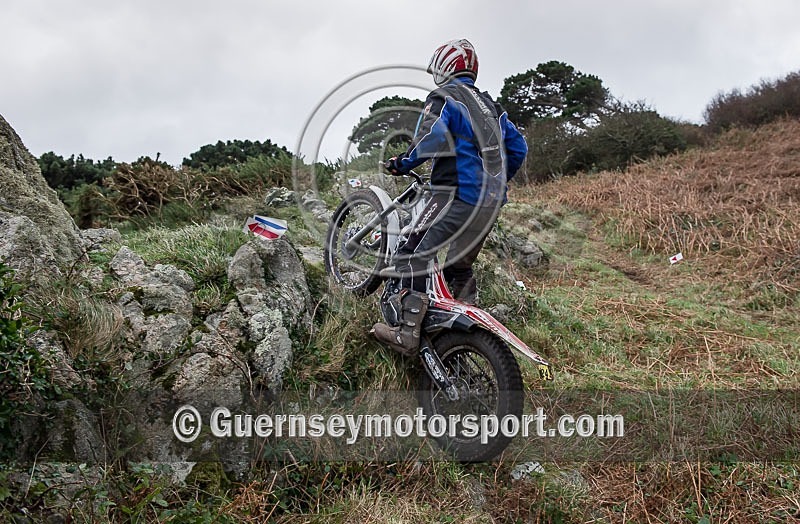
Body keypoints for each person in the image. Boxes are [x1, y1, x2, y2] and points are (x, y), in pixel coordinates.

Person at [371, 38, 528, 356]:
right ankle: (462, 340)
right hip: (490, 204)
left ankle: (406, 333)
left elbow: (431, 136)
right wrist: (496, 182)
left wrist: (403, 163)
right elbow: (518, 148)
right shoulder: (492, 107)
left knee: (411, 254)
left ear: (445, 67)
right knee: (458, 266)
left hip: (455, 195)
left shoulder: (445, 97)